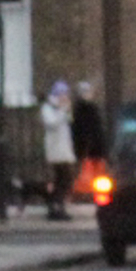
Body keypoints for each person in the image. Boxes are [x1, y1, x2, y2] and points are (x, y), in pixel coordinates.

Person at [40, 79, 76, 219]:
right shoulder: (48, 108)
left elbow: (68, 121)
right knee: (64, 179)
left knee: (62, 179)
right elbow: (51, 123)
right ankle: (56, 207)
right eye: (63, 94)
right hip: (56, 149)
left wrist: (66, 110)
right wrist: (62, 110)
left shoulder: (61, 107)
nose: (65, 97)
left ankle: (55, 206)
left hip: (63, 148)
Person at [70, 80, 107, 180]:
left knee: (99, 177)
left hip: (96, 150)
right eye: (85, 92)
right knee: (86, 178)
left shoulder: (94, 109)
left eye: (88, 91)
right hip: (84, 151)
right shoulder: (78, 111)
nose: (88, 94)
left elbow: (98, 131)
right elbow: (78, 132)